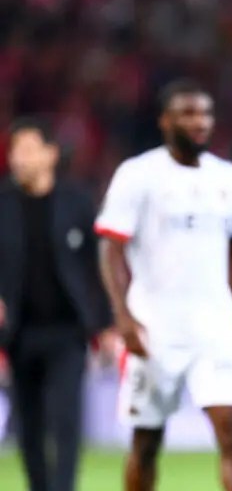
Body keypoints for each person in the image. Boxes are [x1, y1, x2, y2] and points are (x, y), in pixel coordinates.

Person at [96, 79, 232, 491]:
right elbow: (111, 249)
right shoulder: (138, 174)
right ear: (165, 121)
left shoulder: (230, 178)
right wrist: (123, 318)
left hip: (215, 328)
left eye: (205, 113)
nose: (199, 122)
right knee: (146, 442)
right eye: (187, 113)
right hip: (155, 327)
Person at [0, 117, 112, 491]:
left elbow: (98, 268)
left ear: (50, 153)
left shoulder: (76, 202)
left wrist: (107, 324)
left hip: (68, 331)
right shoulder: (2, 204)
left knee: (66, 422)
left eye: (28, 149)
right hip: (19, 332)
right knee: (29, 426)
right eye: (15, 150)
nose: (19, 158)